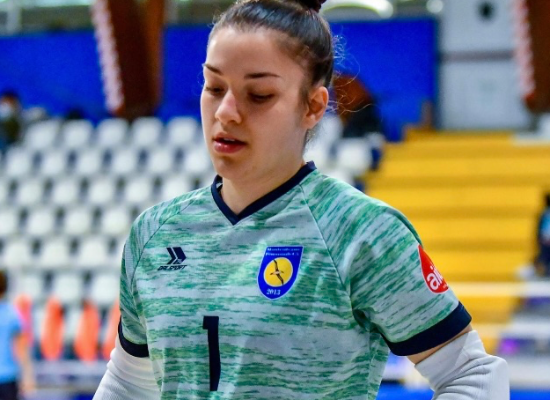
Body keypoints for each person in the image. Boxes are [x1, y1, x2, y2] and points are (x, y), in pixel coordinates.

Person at [93, 0, 509, 398]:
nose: (225, 112)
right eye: (214, 87)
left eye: (259, 95)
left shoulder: (361, 232)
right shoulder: (154, 233)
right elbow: (129, 385)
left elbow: (472, 374)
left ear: (312, 106)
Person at [0, 270, 35, 400]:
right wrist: (28, 376)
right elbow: (22, 348)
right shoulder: (12, 314)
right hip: (8, 377)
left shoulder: (12, 314)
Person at [535, 193, 550, 277]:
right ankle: (544, 274)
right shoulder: (544, 214)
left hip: (545, 240)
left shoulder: (544, 214)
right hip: (545, 241)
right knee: (544, 258)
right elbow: (540, 228)